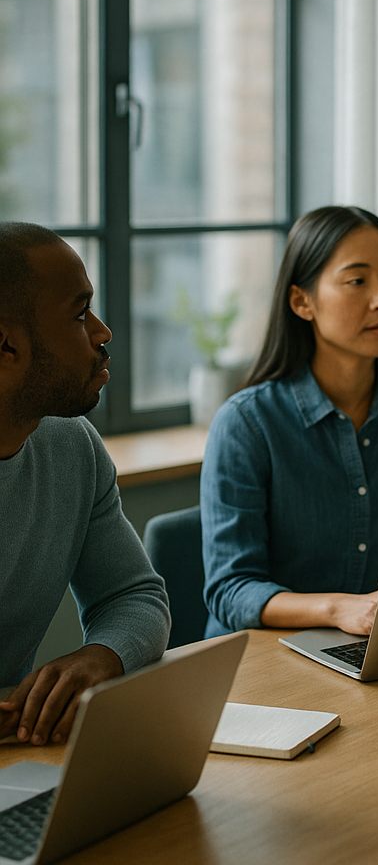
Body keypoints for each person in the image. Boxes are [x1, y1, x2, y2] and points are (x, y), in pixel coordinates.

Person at [201, 206, 378, 637]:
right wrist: (338, 610)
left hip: (377, 646)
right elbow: (231, 589)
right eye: (357, 281)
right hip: (263, 664)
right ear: (301, 302)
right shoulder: (246, 424)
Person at [0, 223, 170, 746]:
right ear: (5, 344)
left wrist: (100, 657)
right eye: (78, 314)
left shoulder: (73, 447)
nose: (102, 332)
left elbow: (135, 595)